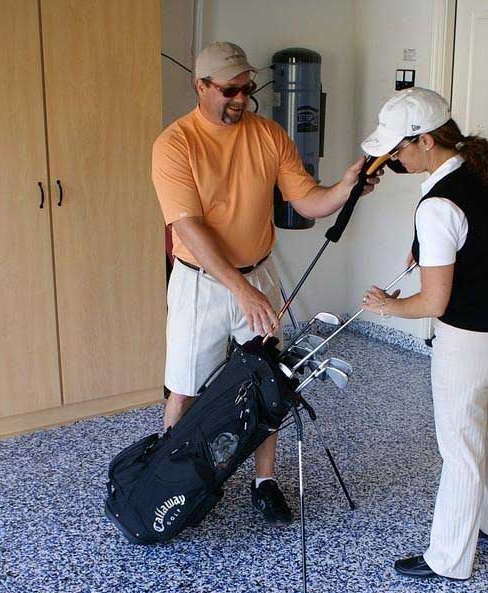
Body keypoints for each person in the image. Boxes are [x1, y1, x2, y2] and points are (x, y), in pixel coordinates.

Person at [152, 42, 379, 526]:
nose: (241, 99)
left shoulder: (268, 134)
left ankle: (265, 481)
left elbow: (308, 201)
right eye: (230, 90)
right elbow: (187, 227)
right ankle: (168, 481)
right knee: (186, 388)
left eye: (247, 89)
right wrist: (240, 289)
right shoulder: (175, 144)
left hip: (258, 274)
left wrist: (345, 186)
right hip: (202, 282)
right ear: (201, 85)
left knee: (269, 381)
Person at [359, 88, 488, 580]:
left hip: (470, 339)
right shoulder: (482, 171)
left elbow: (433, 302)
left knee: (460, 447)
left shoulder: (437, 204)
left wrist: (387, 307)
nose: (393, 161)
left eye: (398, 152)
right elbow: (477, 233)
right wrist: (424, 243)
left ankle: (449, 559)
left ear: (426, 141)